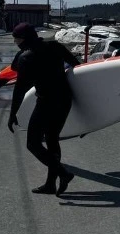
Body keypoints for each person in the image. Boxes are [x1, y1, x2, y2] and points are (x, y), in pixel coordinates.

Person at [8, 23, 81, 195]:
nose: (15, 42)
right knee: (52, 139)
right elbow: (77, 67)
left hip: (47, 102)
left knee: (33, 143)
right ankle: (50, 184)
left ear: (23, 39)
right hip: (64, 100)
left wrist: (12, 114)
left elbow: (20, 89)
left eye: (16, 39)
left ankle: (63, 174)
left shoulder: (25, 57)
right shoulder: (55, 46)